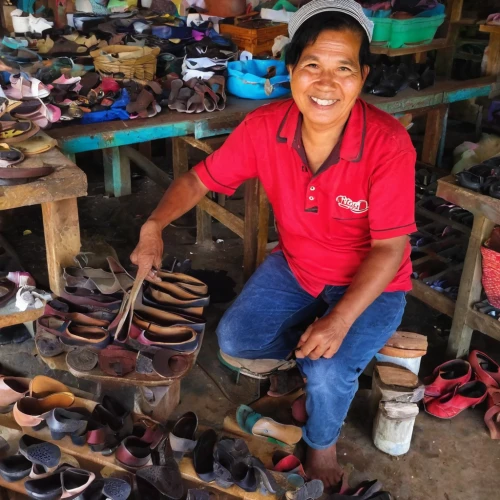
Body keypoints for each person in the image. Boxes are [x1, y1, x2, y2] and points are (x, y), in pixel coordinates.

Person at [131, 0, 416, 488]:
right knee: (237, 339)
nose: (325, 84)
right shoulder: (267, 127)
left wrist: (340, 320)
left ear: (363, 76)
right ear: (291, 70)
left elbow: (390, 249)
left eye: (343, 68)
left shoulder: (388, 144)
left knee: (329, 372)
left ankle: (322, 444)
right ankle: (307, 372)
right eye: (312, 66)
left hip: (375, 284)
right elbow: (200, 180)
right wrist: (152, 226)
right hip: (299, 268)